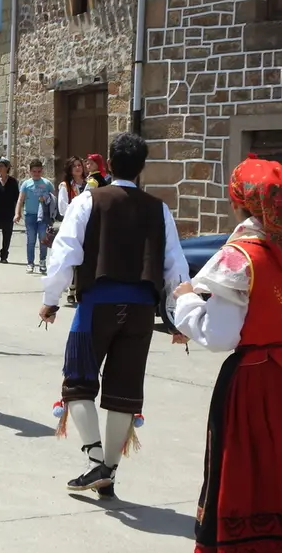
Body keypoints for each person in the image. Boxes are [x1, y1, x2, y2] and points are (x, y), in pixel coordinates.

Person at [175, 155, 282, 553]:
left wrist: (185, 300)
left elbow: (218, 335)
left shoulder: (241, 254)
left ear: (239, 202)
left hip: (254, 387)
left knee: (249, 494)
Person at [40, 132, 189, 497]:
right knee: (124, 392)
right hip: (140, 311)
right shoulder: (159, 208)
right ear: (141, 168)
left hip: (97, 307)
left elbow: (65, 253)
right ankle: (109, 470)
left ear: (108, 161)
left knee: (77, 384)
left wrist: (51, 299)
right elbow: (176, 267)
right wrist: (181, 319)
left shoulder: (89, 200)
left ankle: (96, 465)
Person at [14, 159, 55, 274]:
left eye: (39, 171)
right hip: (30, 216)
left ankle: (42, 262)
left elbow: (54, 199)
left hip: (43, 217)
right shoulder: (26, 184)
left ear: (42, 171)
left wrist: (47, 199)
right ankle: (30, 263)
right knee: (31, 240)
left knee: (43, 239)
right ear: (30, 171)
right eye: (34, 171)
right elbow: (20, 200)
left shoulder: (47, 183)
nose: (36, 174)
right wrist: (17, 213)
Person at [57, 157, 89, 305]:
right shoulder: (66, 186)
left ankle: (82, 287)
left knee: (85, 258)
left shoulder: (90, 184)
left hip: (87, 225)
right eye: (74, 166)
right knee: (72, 258)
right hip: (72, 225)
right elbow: (63, 209)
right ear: (70, 169)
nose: (78, 168)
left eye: (79, 165)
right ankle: (71, 288)